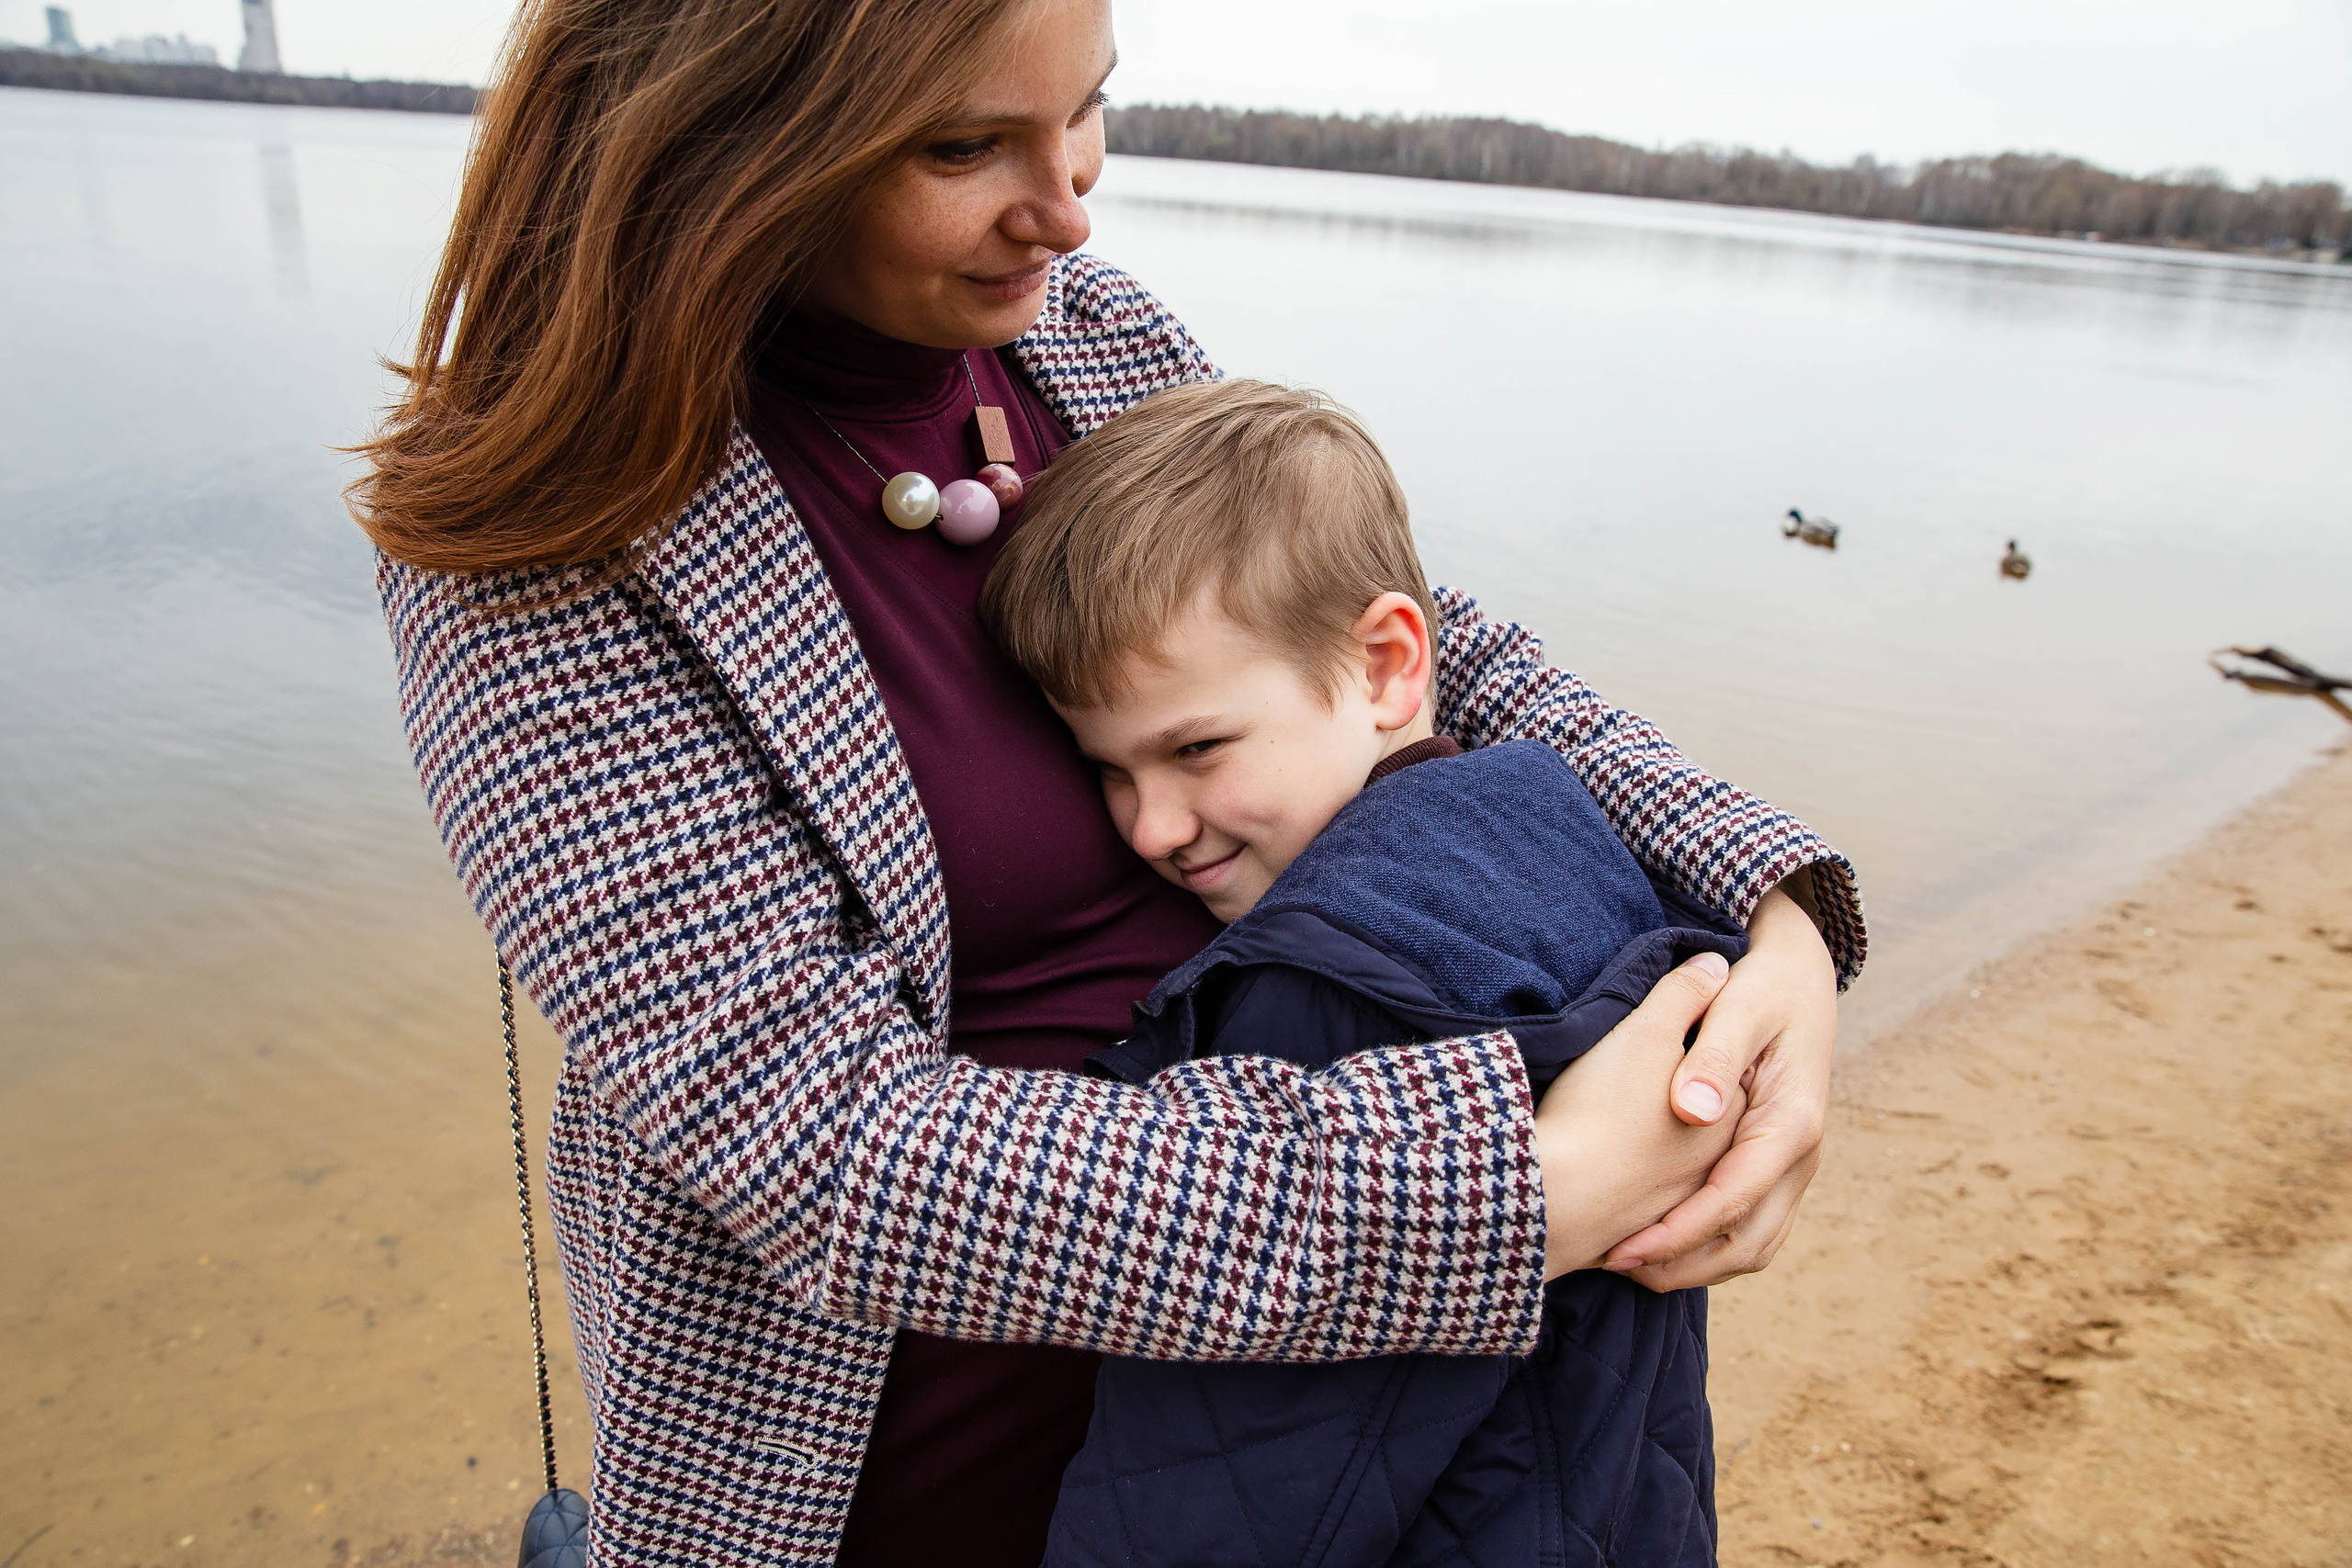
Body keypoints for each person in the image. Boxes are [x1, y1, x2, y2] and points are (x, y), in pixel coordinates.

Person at [349, 0, 1864, 1562]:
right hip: (896, 1489)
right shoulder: (541, 542)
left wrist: (1784, 927)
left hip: (1303, 1455)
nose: (1069, 205)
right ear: (728, 139)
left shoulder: (1083, 331)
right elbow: (827, 1149)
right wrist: (1532, 1192)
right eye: (964, 146)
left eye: (1088, 108)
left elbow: (1417, 638)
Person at [981, 379, 1749, 1566]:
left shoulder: (1329, 988)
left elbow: (1228, 1482)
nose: (1151, 828)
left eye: (1196, 749)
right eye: (1111, 773)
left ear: (1390, 663)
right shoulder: (1567, 831)